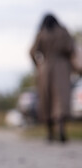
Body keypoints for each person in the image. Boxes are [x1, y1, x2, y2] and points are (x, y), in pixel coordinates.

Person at [30, 13, 74, 143]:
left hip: (45, 68)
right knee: (61, 98)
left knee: (47, 98)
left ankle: (50, 133)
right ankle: (61, 130)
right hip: (62, 68)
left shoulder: (42, 33)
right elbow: (70, 48)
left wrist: (38, 65)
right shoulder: (63, 32)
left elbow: (32, 52)